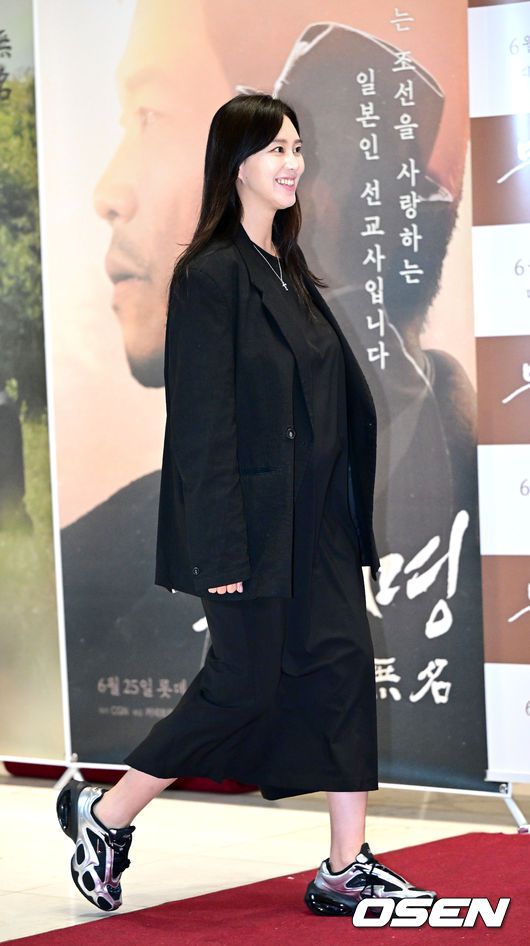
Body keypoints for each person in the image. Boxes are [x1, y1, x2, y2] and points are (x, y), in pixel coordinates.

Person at [56, 93, 437, 917]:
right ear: (235, 165)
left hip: (320, 524)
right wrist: (221, 550)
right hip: (254, 532)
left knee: (342, 674)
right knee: (240, 687)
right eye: (274, 150)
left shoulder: (289, 270)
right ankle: (106, 814)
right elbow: (202, 427)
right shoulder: (211, 274)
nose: (291, 162)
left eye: (296, 147)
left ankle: (345, 867)